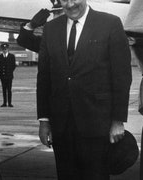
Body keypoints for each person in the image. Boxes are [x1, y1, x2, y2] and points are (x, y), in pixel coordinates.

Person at [36, 0, 132, 179]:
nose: (70, 4)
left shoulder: (110, 24)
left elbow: (121, 76)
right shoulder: (51, 29)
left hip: (97, 124)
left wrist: (118, 120)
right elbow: (44, 78)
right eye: (64, 0)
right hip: (61, 126)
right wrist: (44, 120)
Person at [0, 43, 16, 107]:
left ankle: (10, 103)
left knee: (9, 90)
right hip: (2, 76)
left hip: (9, 76)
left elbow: (14, 66)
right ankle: (4, 103)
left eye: (5, 49)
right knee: (4, 90)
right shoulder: (0, 56)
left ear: (8, 49)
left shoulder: (12, 56)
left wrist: (9, 72)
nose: (4, 50)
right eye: (3, 49)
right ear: (2, 49)